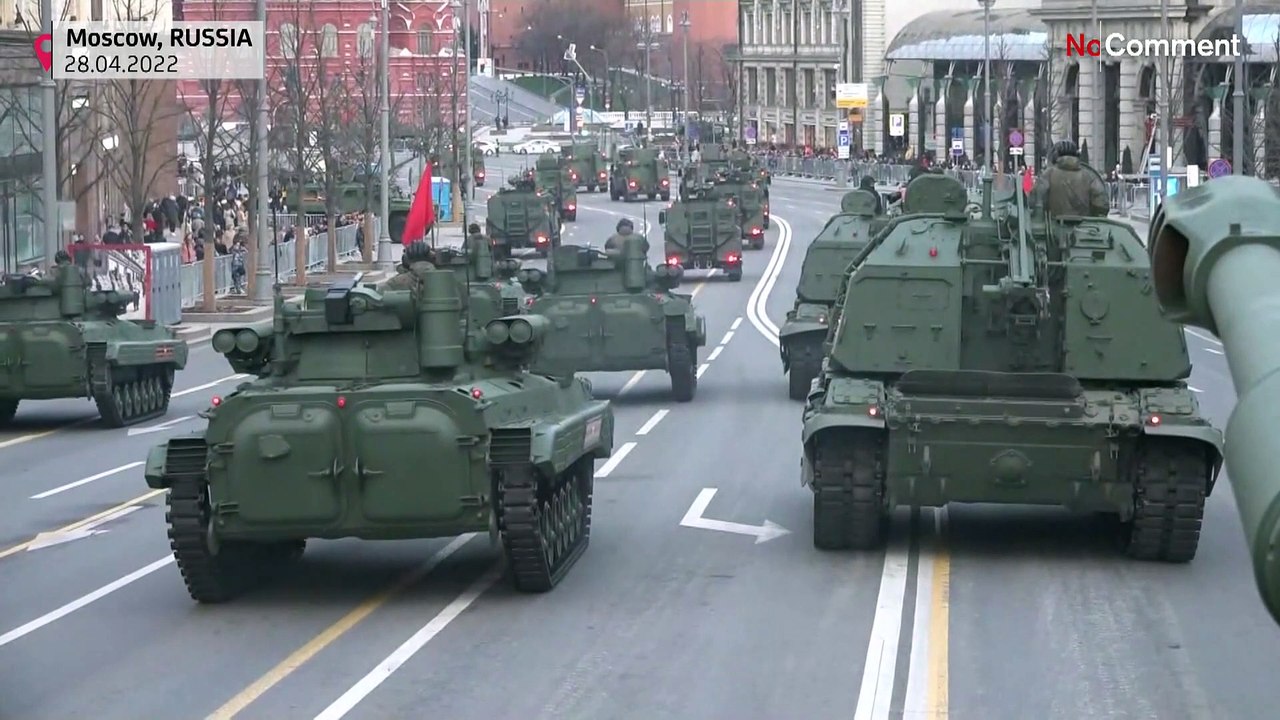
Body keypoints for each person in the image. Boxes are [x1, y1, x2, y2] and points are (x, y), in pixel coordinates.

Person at [1031, 139, 1109, 217]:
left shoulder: (1047, 174)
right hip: (1086, 227)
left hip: (1053, 226)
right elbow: (1101, 206)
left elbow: (1035, 202)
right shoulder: (1089, 176)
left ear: (1055, 155)